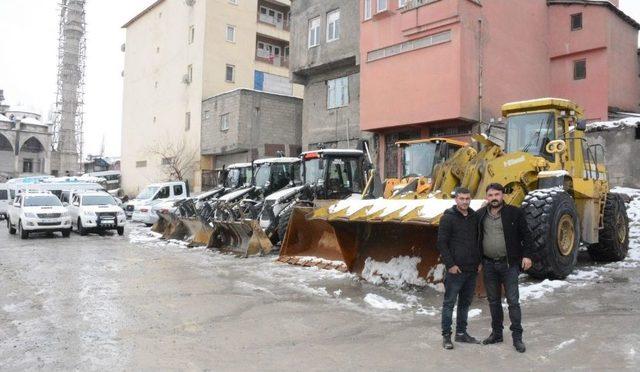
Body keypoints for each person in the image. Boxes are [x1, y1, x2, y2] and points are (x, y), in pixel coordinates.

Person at [477, 183, 534, 353]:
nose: (494, 198)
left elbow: (527, 235)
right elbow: (473, 237)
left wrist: (527, 255)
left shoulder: (514, 213)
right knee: (493, 301)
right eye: (491, 195)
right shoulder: (480, 215)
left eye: (497, 194)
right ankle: (497, 334)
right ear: (486, 197)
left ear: (503, 195)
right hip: (488, 265)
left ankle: (517, 338)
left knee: (513, 302)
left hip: (509, 265)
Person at [437, 187, 482, 350]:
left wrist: (479, 262)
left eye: (467, 198)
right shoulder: (448, 218)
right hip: (455, 271)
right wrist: (450, 265)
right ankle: (446, 336)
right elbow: (442, 243)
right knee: (449, 303)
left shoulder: (474, 217)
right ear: (456, 199)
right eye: (461, 198)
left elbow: (478, 241)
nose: (464, 201)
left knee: (465, 303)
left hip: (471, 270)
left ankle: (461, 333)